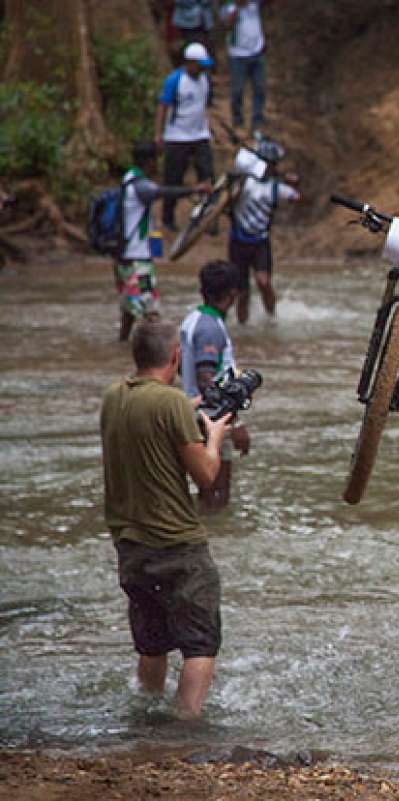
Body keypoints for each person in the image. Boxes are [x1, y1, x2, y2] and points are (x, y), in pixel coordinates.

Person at [101, 319, 231, 719]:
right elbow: (206, 475)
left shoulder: (114, 396)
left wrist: (193, 407)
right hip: (177, 545)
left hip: (131, 545)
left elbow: (152, 417)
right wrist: (215, 437)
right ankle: (185, 726)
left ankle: (146, 719)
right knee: (200, 645)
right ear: (176, 356)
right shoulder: (171, 403)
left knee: (152, 644)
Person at [114, 142, 209, 341]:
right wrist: (195, 189)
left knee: (129, 309)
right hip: (137, 259)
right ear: (148, 162)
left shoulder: (127, 179)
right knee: (151, 311)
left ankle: (122, 344)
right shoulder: (140, 186)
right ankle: (158, 351)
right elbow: (165, 192)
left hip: (124, 257)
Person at [180, 261, 250, 512]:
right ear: (233, 293)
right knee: (217, 494)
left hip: (194, 413)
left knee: (206, 491)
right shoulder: (210, 328)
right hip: (211, 419)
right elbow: (206, 380)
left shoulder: (193, 320)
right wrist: (236, 424)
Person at [227, 138, 301, 323]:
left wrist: (295, 183)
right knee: (242, 291)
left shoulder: (276, 187)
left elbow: (297, 198)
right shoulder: (244, 182)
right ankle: (242, 325)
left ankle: (271, 317)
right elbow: (227, 197)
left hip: (260, 242)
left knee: (263, 282)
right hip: (238, 241)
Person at [155, 42, 214, 233]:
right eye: (199, 65)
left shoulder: (205, 80)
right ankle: (168, 217)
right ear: (189, 63)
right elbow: (163, 107)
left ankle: (207, 217)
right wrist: (159, 134)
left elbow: (202, 106)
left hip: (200, 135)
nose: (202, 69)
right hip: (177, 137)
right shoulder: (174, 81)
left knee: (207, 175)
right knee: (173, 179)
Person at [219, 0, 267, 134]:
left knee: (259, 88)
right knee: (237, 90)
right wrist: (236, 10)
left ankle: (257, 122)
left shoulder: (254, 4)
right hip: (238, 55)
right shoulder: (229, 7)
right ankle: (237, 121)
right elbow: (226, 23)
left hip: (257, 51)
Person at [171, 1, 216, 70]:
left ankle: (206, 69)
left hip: (204, 22)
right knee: (191, 48)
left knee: (205, 47)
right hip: (187, 23)